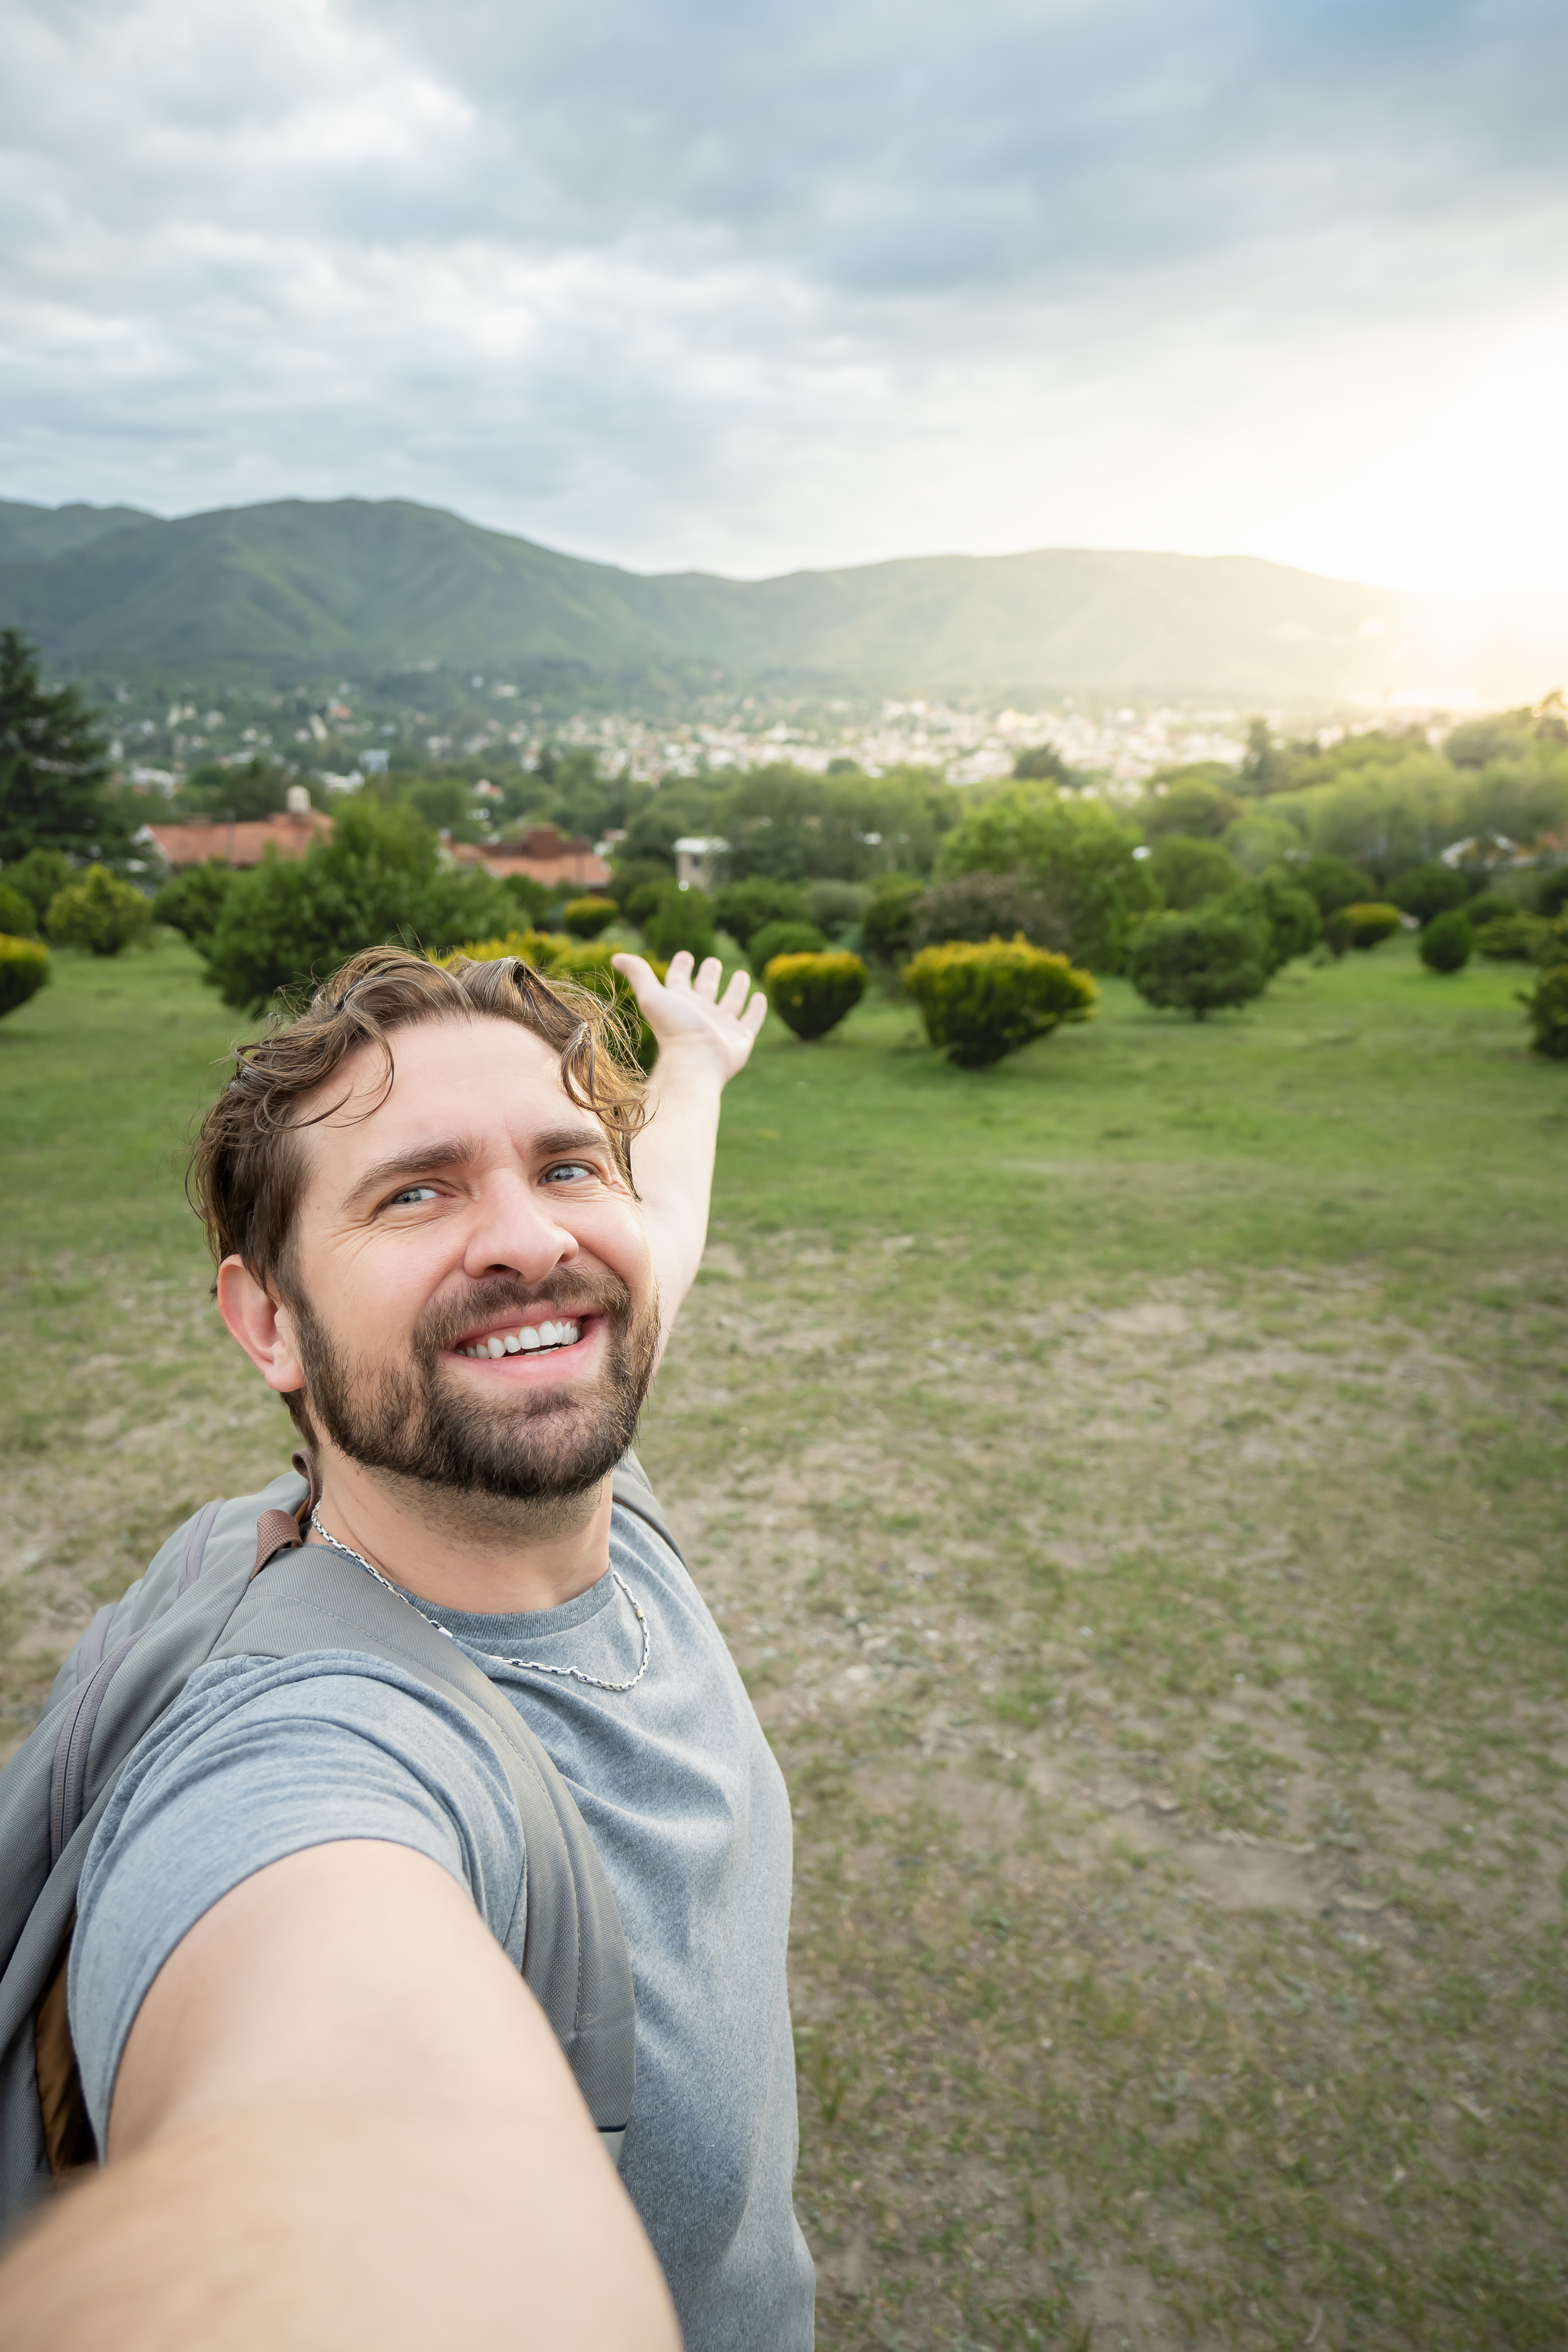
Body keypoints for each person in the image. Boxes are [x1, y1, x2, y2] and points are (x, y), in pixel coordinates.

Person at [0, 944, 815, 2352]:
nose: (532, 1243)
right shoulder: (314, 1754)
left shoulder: (581, 1465)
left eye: (566, 1168)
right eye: (416, 1191)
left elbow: (656, 1225)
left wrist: (692, 1067)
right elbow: (327, 2092)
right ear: (270, 1322)